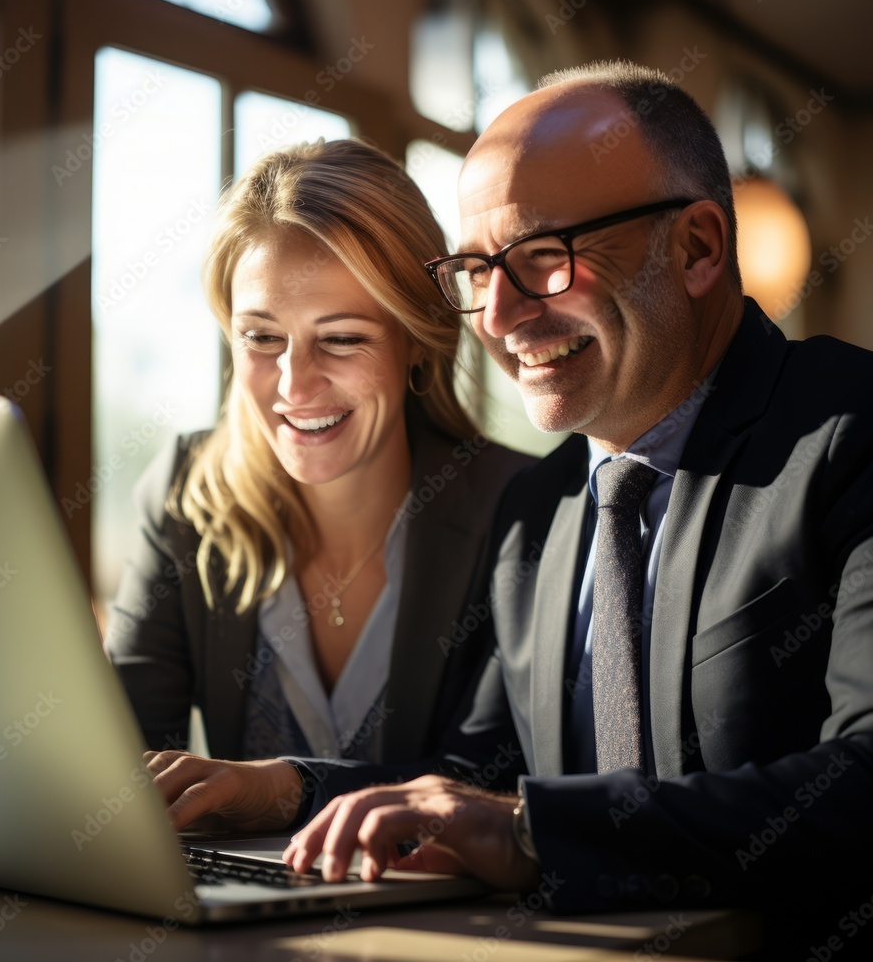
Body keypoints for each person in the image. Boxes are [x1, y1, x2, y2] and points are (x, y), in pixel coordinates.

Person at [144, 64, 873, 957]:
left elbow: (863, 785)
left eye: (542, 259)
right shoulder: (543, 501)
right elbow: (468, 783)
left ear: (696, 248)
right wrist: (286, 789)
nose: (498, 315)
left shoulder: (850, 435)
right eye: (480, 270)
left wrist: (530, 832)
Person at [105, 138, 532, 769]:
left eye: (340, 339)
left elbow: (495, 789)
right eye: (261, 336)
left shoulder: (523, 510)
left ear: (418, 342)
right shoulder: (184, 493)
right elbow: (122, 765)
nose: (293, 384)